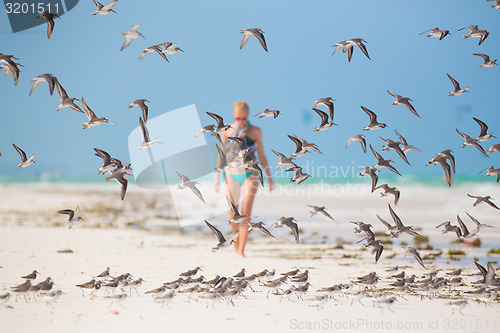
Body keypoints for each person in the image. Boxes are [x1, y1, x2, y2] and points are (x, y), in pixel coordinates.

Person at [214, 101, 274, 257]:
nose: (240, 121)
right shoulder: (227, 130)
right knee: (232, 215)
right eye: (238, 118)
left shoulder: (255, 131)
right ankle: (238, 240)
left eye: (243, 118)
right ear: (234, 116)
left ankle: (241, 251)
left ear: (248, 116)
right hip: (231, 174)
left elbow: (262, 155)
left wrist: (269, 177)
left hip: (250, 174)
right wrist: (216, 176)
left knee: (246, 213)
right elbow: (222, 154)